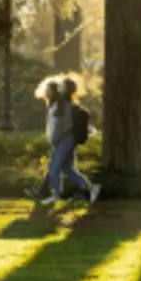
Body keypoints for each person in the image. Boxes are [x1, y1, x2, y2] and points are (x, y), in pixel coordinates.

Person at [25, 75, 100, 204]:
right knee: (67, 169)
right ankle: (91, 187)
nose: (46, 93)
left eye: (49, 90)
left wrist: (57, 138)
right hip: (63, 141)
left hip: (64, 141)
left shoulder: (63, 106)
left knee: (53, 168)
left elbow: (64, 126)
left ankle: (56, 196)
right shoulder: (59, 105)